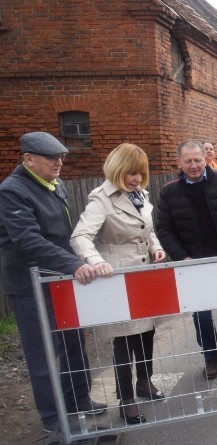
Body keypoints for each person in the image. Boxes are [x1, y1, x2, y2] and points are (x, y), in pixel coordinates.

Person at [0, 132, 105, 432]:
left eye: (60, 156)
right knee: (44, 352)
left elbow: (64, 232)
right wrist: (72, 263)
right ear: (28, 159)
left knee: (73, 342)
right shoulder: (12, 191)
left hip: (59, 280)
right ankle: (53, 417)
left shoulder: (54, 184)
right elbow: (27, 240)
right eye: (51, 158)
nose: (59, 162)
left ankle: (78, 399)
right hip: (30, 286)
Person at [70, 144, 166, 424]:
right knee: (124, 341)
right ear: (117, 169)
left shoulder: (141, 196)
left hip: (143, 275)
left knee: (146, 333)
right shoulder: (101, 199)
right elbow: (80, 237)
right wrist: (95, 261)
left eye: (140, 173)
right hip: (117, 278)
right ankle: (126, 399)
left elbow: (147, 231)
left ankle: (144, 382)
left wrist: (156, 247)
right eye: (131, 173)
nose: (136, 179)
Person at [156, 140, 217, 380]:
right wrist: (183, 257)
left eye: (197, 160)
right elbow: (163, 229)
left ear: (205, 159)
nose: (193, 165)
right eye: (188, 161)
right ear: (179, 162)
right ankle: (210, 358)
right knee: (201, 314)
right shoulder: (169, 192)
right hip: (194, 264)